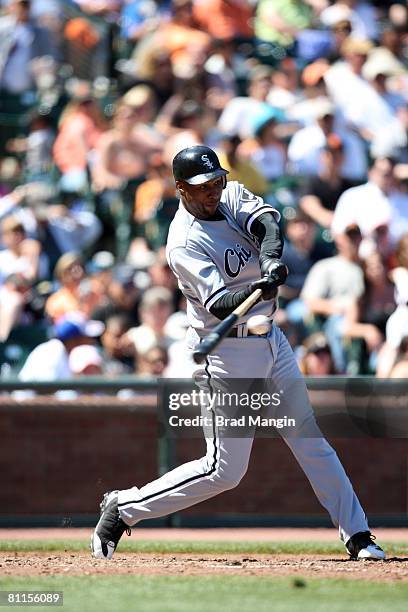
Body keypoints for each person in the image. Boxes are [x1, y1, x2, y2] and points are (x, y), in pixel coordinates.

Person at [91, 145, 385, 562]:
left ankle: (358, 535)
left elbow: (266, 221)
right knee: (224, 471)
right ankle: (123, 507)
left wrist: (269, 262)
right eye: (202, 186)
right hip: (227, 352)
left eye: (216, 182)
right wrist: (258, 287)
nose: (213, 191)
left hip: (271, 340)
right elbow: (220, 305)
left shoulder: (227, 194)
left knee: (310, 441)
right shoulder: (183, 242)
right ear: (179, 189)